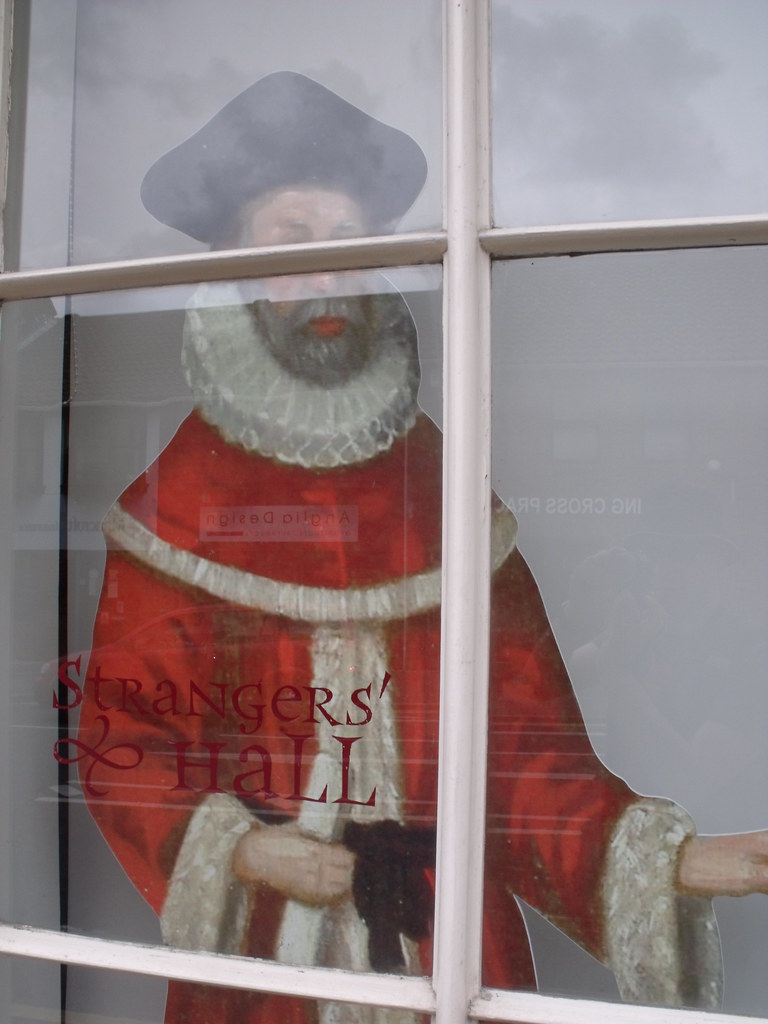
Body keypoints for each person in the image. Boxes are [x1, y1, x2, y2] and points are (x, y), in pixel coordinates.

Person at [74, 72, 768, 1024]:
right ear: (239, 265)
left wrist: (667, 861)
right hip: (264, 961)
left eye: (353, 244)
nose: (330, 276)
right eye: (295, 241)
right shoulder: (179, 510)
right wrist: (243, 849)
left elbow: (523, 758)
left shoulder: (439, 495)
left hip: (446, 948)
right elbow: (125, 743)